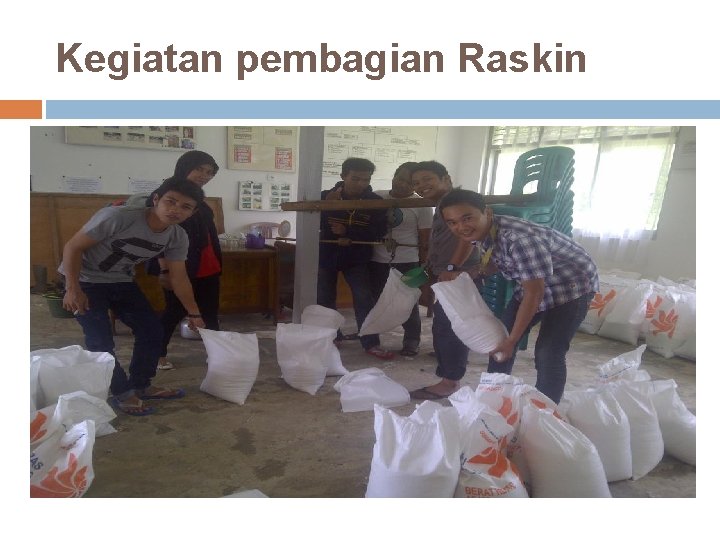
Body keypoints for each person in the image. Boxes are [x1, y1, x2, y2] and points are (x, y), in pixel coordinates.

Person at [59, 177, 207, 416]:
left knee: (152, 330)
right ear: (156, 199)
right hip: (86, 279)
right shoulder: (118, 217)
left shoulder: (177, 236)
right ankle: (121, 392)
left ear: (193, 212)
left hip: (121, 280)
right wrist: (72, 288)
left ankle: (141, 385)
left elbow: (179, 278)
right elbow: (72, 247)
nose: (176, 210)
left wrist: (194, 313)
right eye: (170, 201)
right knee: (100, 342)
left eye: (185, 206)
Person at [437, 188, 599, 404]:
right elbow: (500, 259)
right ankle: (494, 398)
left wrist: (513, 340)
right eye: (452, 222)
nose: (461, 227)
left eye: (467, 218)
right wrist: (471, 272)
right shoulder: (484, 231)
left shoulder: (520, 240)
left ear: (487, 212)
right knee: (498, 342)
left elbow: (535, 293)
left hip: (571, 286)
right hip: (533, 281)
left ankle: (546, 410)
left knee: (548, 352)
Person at [407, 161, 483, 399]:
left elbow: (466, 238)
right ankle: (448, 371)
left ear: (446, 179)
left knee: (449, 328)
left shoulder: (455, 205)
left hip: (460, 275)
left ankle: (450, 381)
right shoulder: (442, 205)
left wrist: (453, 267)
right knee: (444, 326)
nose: (421, 186)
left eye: (427, 179)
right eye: (416, 183)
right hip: (450, 274)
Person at [146, 150, 222, 370]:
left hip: (207, 264)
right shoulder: (165, 193)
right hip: (178, 264)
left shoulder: (199, 199)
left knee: (210, 311)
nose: (204, 175)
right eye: (199, 169)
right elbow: (156, 234)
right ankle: (157, 355)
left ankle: (218, 355)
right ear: (185, 166)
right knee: (174, 311)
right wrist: (164, 270)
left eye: (209, 172)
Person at [317, 157, 395, 360]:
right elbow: (312, 224)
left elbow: (378, 232)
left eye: (366, 180)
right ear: (343, 176)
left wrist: (348, 232)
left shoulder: (376, 202)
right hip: (326, 254)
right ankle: (332, 337)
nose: (361, 184)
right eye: (355, 179)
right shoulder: (324, 197)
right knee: (324, 298)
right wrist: (326, 206)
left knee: (364, 298)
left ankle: (371, 342)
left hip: (357, 258)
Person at [368, 162, 433, 357]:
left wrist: (424, 266)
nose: (402, 184)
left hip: (407, 261)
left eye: (410, 182)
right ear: (394, 176)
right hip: (377, 260)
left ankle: (412, 340)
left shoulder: (421, 205)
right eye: (400, 178)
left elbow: (425, 239)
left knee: (408, 302)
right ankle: (371, 338)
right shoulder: (378, 197)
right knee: (375, 300)